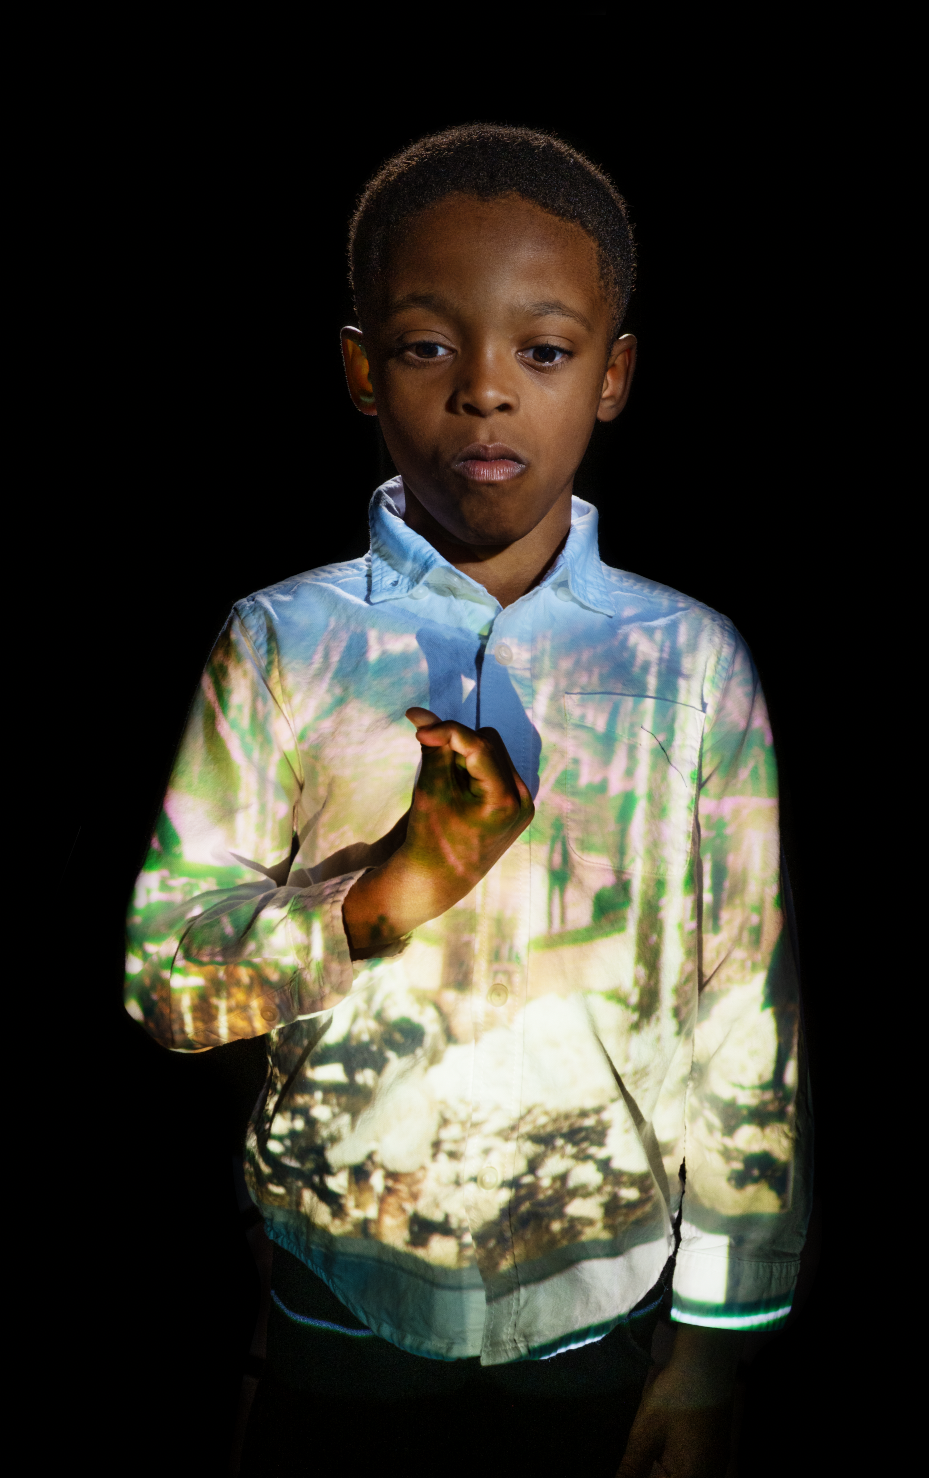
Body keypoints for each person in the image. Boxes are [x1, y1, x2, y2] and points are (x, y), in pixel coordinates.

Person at [125, 125, 812, 1477]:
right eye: (432, 345)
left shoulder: (689, 662)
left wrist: (717, 1339)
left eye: (543, 351)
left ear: (612, 373)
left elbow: (745, 1010)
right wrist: (384, 896)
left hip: (600, 1324)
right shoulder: (280, 642)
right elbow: (163, 980)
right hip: (336, 1307)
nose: (486, 393)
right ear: (359, 365)